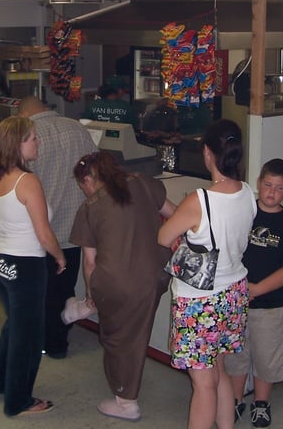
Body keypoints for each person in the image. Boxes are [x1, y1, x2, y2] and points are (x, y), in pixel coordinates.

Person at [157, 119, 257, 429]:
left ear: (207, 153)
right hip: (234, 292)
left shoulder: (199, 200)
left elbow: (163, 236)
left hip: (199, 303)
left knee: (202, 385)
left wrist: (184, 233)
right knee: (219, 371)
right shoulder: (248, 192)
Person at [70, 151, 176, 422]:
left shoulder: (91, 207)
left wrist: (91, 295)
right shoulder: (142, 181)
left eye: (81, 186)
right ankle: (87, 308)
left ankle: (125, 401)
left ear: (88, 180)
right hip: (155, 276)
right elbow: (175, 216)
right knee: (135, 333)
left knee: (117, 341)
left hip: (117, 283)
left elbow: (90, 263)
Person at [0, 115, 65, 416]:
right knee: (28, 335)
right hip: (24, 265)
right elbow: (43, 233)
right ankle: (18, 400)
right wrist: (60, 256)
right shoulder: (27, 181)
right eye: (33, 138)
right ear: (17, 144)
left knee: (14, 324)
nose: (38, 142)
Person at [225, 158, 283, 428]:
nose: (271, 192)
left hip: (271, 305)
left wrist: (258, 289)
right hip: (237, 301)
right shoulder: (244, 213)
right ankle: (235, 401)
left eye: (279, 188)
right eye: (267, 185)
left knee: (266, 357)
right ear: (258, 183)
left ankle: (261, 403)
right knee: (236, 355)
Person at [18, 96, 98, 359]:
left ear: (25, 113)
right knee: (63, 289)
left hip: (39, 229)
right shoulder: (77, 128)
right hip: (75, 226)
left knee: (37, 290)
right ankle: (57, 343)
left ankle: (39, 340)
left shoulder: (26, 134)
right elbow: (94, 173)